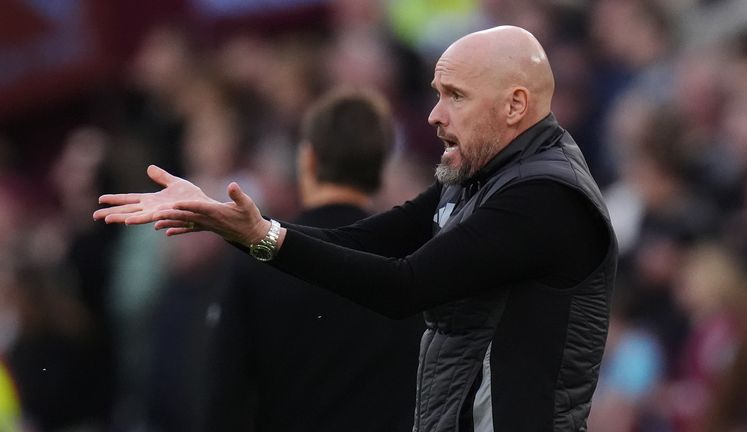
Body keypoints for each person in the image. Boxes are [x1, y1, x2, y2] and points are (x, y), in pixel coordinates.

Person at [95, 25, 617, 431]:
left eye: (455, 95)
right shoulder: (485, 176)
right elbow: (365, 238)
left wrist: (265, 239)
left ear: (515, 106)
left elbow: (403, 285)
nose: (435, 114)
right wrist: (241, 226)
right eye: (436, 94)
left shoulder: (543, 196)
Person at [203, 88, 424, 431]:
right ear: (381, 167)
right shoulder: (413, 261)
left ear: (307, 159)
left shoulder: (258, 256)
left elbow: (225, 394)